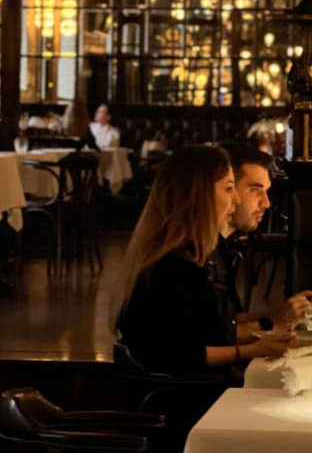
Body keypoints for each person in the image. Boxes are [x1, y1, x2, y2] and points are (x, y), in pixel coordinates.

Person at [113, 144, 293, 379]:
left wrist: (274, 320)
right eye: (229, 188)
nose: (236, 198)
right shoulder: (174, 265)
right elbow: (176, 354)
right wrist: (256, 346)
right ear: (199, 194)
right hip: (189, 393)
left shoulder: (202, 255)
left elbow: (214, 325)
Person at [216, 142, 312, 331]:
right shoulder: (191, 256)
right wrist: (274, 322)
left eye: (266, 192)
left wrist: (282, 312)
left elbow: (223, 322)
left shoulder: (224, 248)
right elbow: (206, 339)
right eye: (256, 190)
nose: (266, 203)